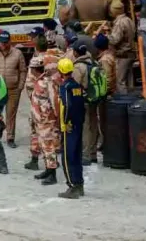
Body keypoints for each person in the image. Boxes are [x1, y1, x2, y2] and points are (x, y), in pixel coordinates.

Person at [0, 32, 27, 148]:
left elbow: (23, 70)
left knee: (11, 115)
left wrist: (20, 86)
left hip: (13, 89)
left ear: (10, 41)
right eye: (1, 42)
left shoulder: (18, 54)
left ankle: (10, 138)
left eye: (5, 42)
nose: (3, 45)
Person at [57, 57, 87, 199]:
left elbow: (67, 105)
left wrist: (66, 122)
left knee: (67, 157)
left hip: (68, 126)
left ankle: (72, 185)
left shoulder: (65, 87)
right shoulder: (77, 86)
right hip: (78, 124)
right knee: (76, 155)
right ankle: (79, 184)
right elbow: (81, 106)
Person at [70, 42, 102, 164]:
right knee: (94, 125)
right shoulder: (94, 63)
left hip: (84, 101)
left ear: (76, 53)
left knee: (86, 127)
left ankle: (86, 155)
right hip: (95, 99)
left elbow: (75, 86)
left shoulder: (78, 67)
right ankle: (93, 153)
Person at [109, 0, 137, 92]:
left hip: (123, 55)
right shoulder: (128, 19)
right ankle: (132, 102)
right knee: (129, 83)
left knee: (120, 82)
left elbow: (115, 40)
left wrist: (105, 37)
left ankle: (124, 103)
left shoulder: (119, 23)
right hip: (131, 53)